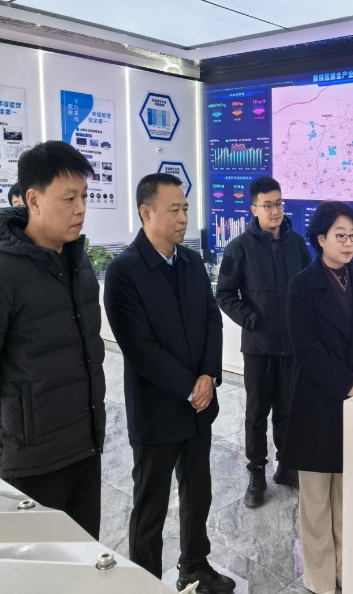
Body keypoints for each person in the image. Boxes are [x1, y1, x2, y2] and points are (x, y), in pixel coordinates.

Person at [104, 173, 235, 593]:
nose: (183, 218)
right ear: (146, 213)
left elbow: (212, 321)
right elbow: (141, 348)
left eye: (185, 209)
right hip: (157, 411)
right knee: (151, 505)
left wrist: (208, 376)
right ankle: (143, 582)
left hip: (198, 408)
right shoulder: (124, 272)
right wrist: (190, 386)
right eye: (174, 209)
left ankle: (194, 565)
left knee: (198, 493)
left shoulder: (192, 263)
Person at [0, 141, 105, 539]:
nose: (81, 208)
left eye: (85, 196)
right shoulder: (6, 270)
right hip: (33, 463)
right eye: (69, 198)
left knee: (85, 555)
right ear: (33, 200)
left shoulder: (78, 261)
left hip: (85, 446)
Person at [283, 201, 353, 594]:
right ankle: (321, 580)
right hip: (318, 403)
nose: (348, 243)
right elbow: (306, 349)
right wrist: (348, 385)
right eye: (340, 236)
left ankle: (347, 572)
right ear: (320, 239)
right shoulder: (301, 286)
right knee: (316, 500)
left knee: (346, 495)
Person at [216, 177, 310, 507]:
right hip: (258, 346)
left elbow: (308, 287)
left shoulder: (297, 244)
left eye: (279, 203)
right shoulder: (239, 247)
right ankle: (257, 470)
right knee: (257, 412)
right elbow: (225, 294)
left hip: (291, 346)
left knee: (287, 410)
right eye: (267, 205)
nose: (275, 210)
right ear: (254, 209)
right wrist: (252, 319)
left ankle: (287, 464)